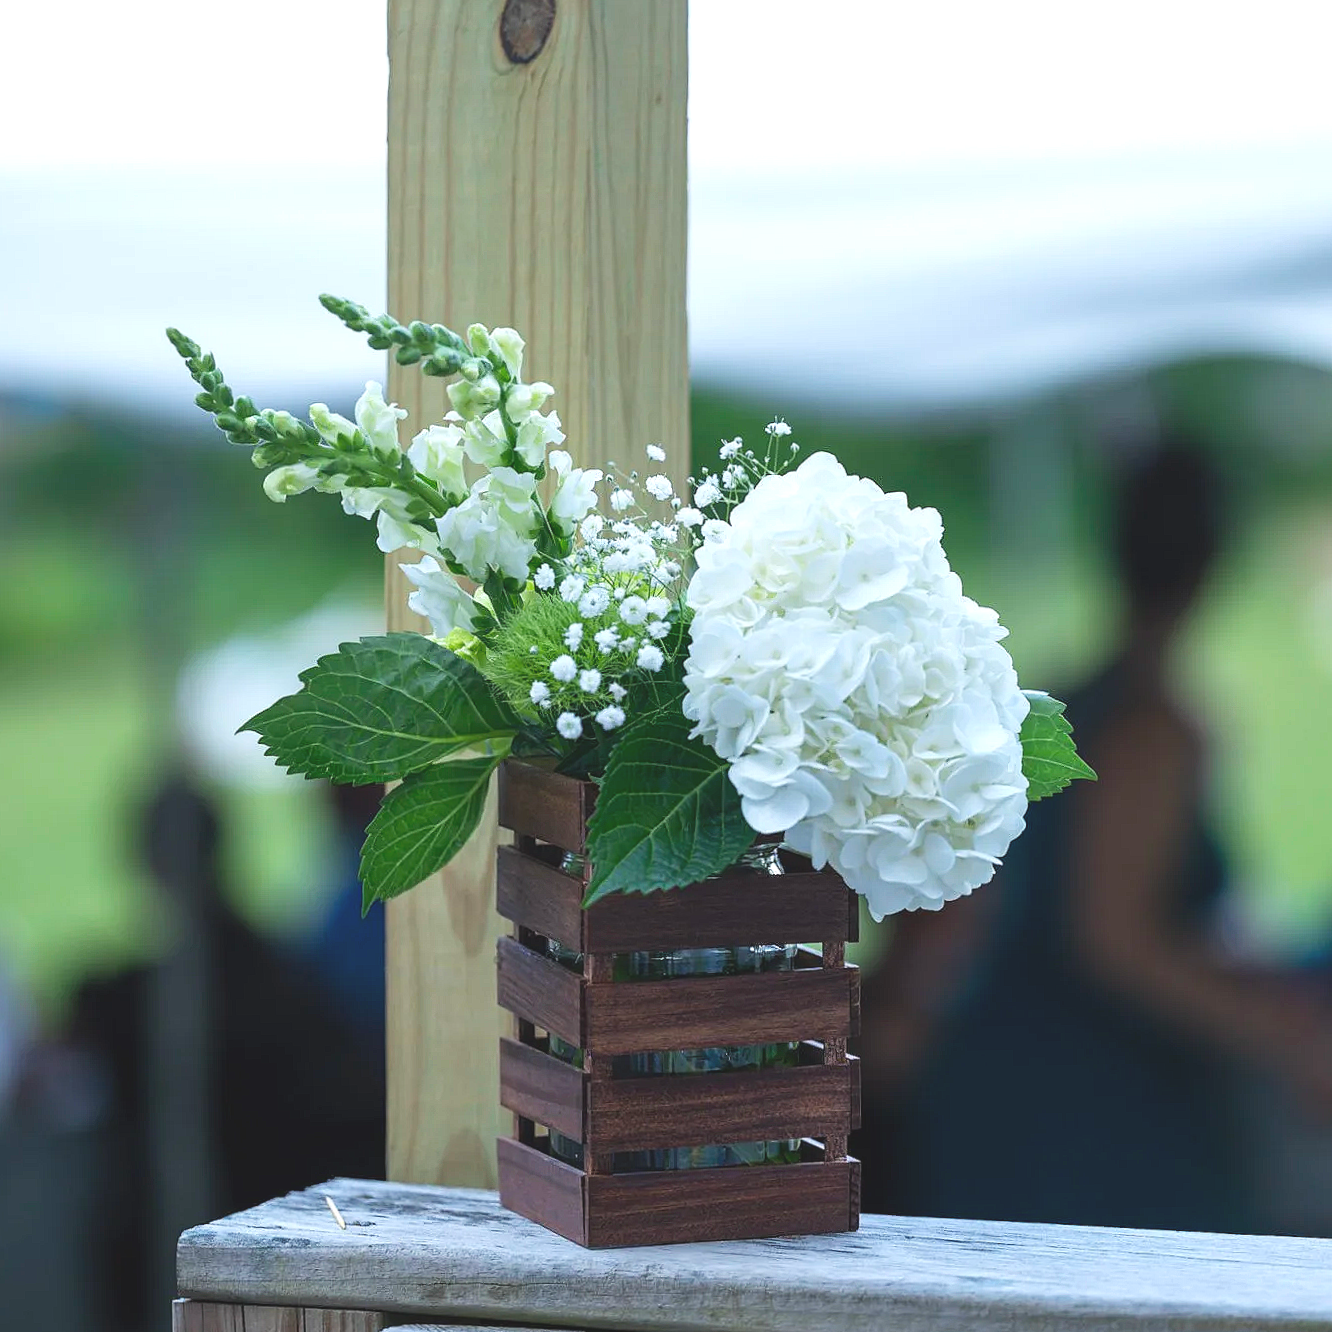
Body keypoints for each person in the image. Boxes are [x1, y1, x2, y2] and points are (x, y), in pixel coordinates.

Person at [858, 440, 1332, 1232]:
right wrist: (1288, 1034)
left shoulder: (1062, 700)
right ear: (1215, 561)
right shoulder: (1152, 729)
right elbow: (1112, 938)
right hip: (1077, 1092)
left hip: (1000, 1060)